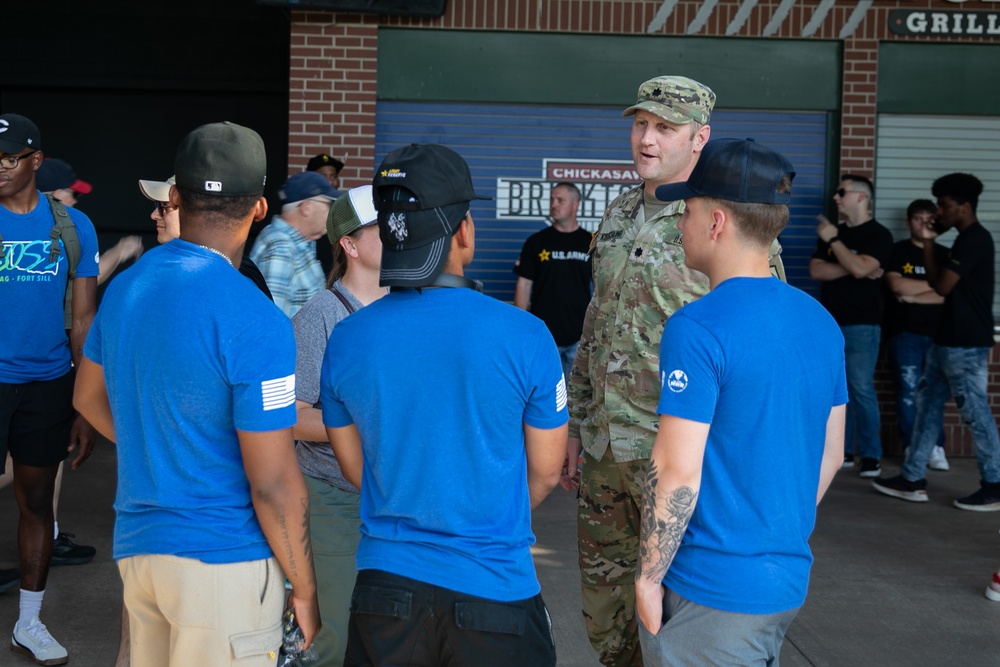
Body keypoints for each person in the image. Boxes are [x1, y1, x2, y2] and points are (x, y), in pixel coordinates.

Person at [73, 122, 319, 666]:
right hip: (223, 562)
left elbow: (86, 399)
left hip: (140, 553)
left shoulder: (128, 288)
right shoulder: (255, 316)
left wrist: (154, 445)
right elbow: (275, 481)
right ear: (258, 208)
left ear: (177, 196)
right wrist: (304, 588)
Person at [320, 143, 566, 666]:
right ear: (464, 231)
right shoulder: (527, 336)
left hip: (384, 593)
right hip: (494, 589)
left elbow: (355, 468)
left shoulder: (347, 337)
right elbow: (545, 473)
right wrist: (481, 511)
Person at [634, 137, 846, 666]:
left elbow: (675, 469)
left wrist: (647, 576)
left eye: (687, 209)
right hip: (784, 580)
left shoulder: (697, 327)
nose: (679, 223)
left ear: (717, 221)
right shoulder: (821, 322)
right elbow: (832, 454)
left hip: (711, 587)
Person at [566, 75, 715, 667]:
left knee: (678, 617)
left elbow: (747, 340)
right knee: (605, 614)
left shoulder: (716, 218)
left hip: (672, 453)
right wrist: (578, 425)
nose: (646, 139)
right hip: (605, 450)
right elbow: (595, 324)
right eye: (640, 124)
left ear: (699, 137)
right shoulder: (620, 210)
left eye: (665, 128)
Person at [0, 112, 99, 666]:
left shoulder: (71, 227)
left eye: (9, 159)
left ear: (35, 160)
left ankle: (29, 623)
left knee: (36, 502)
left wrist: (83, 402)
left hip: (47, 383)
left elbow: (83, 320)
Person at [291, 185, 384, 666]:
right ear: (348, 244)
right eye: (381, 226)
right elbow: (290, 416)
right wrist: (356, 424)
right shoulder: (322, 313)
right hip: (334, 500)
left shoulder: (405, 307)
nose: (397, 233)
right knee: (335, 638)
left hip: (395, 498)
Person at [873, 173, 1000, 511]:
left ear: (964, 207)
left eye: (945, 206)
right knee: (928, 408)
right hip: (945, 341)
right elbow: (937, 280)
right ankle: (912, 477)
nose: (938, 213)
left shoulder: (975, 239)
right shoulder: (961, 239)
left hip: (965, 344)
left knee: (975, 414)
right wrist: (929, 241)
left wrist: (929, 242)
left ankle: (994, 484)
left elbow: (941, 287)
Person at [809, 174, 893, 478]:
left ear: (861, 197)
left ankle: (870, 456)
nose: (835, 197)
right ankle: (841, 451)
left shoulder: (878, 235)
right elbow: (817, 270)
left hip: (862, 325)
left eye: (841, 192)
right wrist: (854, 266)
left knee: (860, 388)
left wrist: (835, 243)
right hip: (830, 323)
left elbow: (861, 268)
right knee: (833, 390)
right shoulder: (835, 232)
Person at [884, 199, 949, 471]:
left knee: (933, 393)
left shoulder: (946, 254)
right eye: (918, 218)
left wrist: (914, 295)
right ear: (909, 222)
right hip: (905, 333)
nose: (923, 224)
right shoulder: (897, 251)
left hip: (940, 335)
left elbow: (949, 295)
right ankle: (912, 447)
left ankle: (935, 447)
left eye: (928, 219)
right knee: (908, 391)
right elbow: (896, 285)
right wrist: (932, 288)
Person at [514, 182, 592, 377]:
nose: (554, 205)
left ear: (575, 205)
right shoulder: (536, 242)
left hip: (580, 337)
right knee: (545, 398)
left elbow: (603, 287)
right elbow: (524, 284)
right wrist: (520, 326)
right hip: (544, 334)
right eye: (551, 200)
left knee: (576, 400)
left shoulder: (591, 243)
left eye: (560, 200)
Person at [37, 157, 143, 285]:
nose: (75, 200)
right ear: (57, 194)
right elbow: (83, 283)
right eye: (74, 194)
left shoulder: (13, 224)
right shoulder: (60, 230)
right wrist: (118, 252)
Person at [249, 171, 336, 317]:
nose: (332, 211)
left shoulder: (300, 242)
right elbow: (272, 322)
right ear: (306, 208)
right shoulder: (280, 250)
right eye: (329, 204)